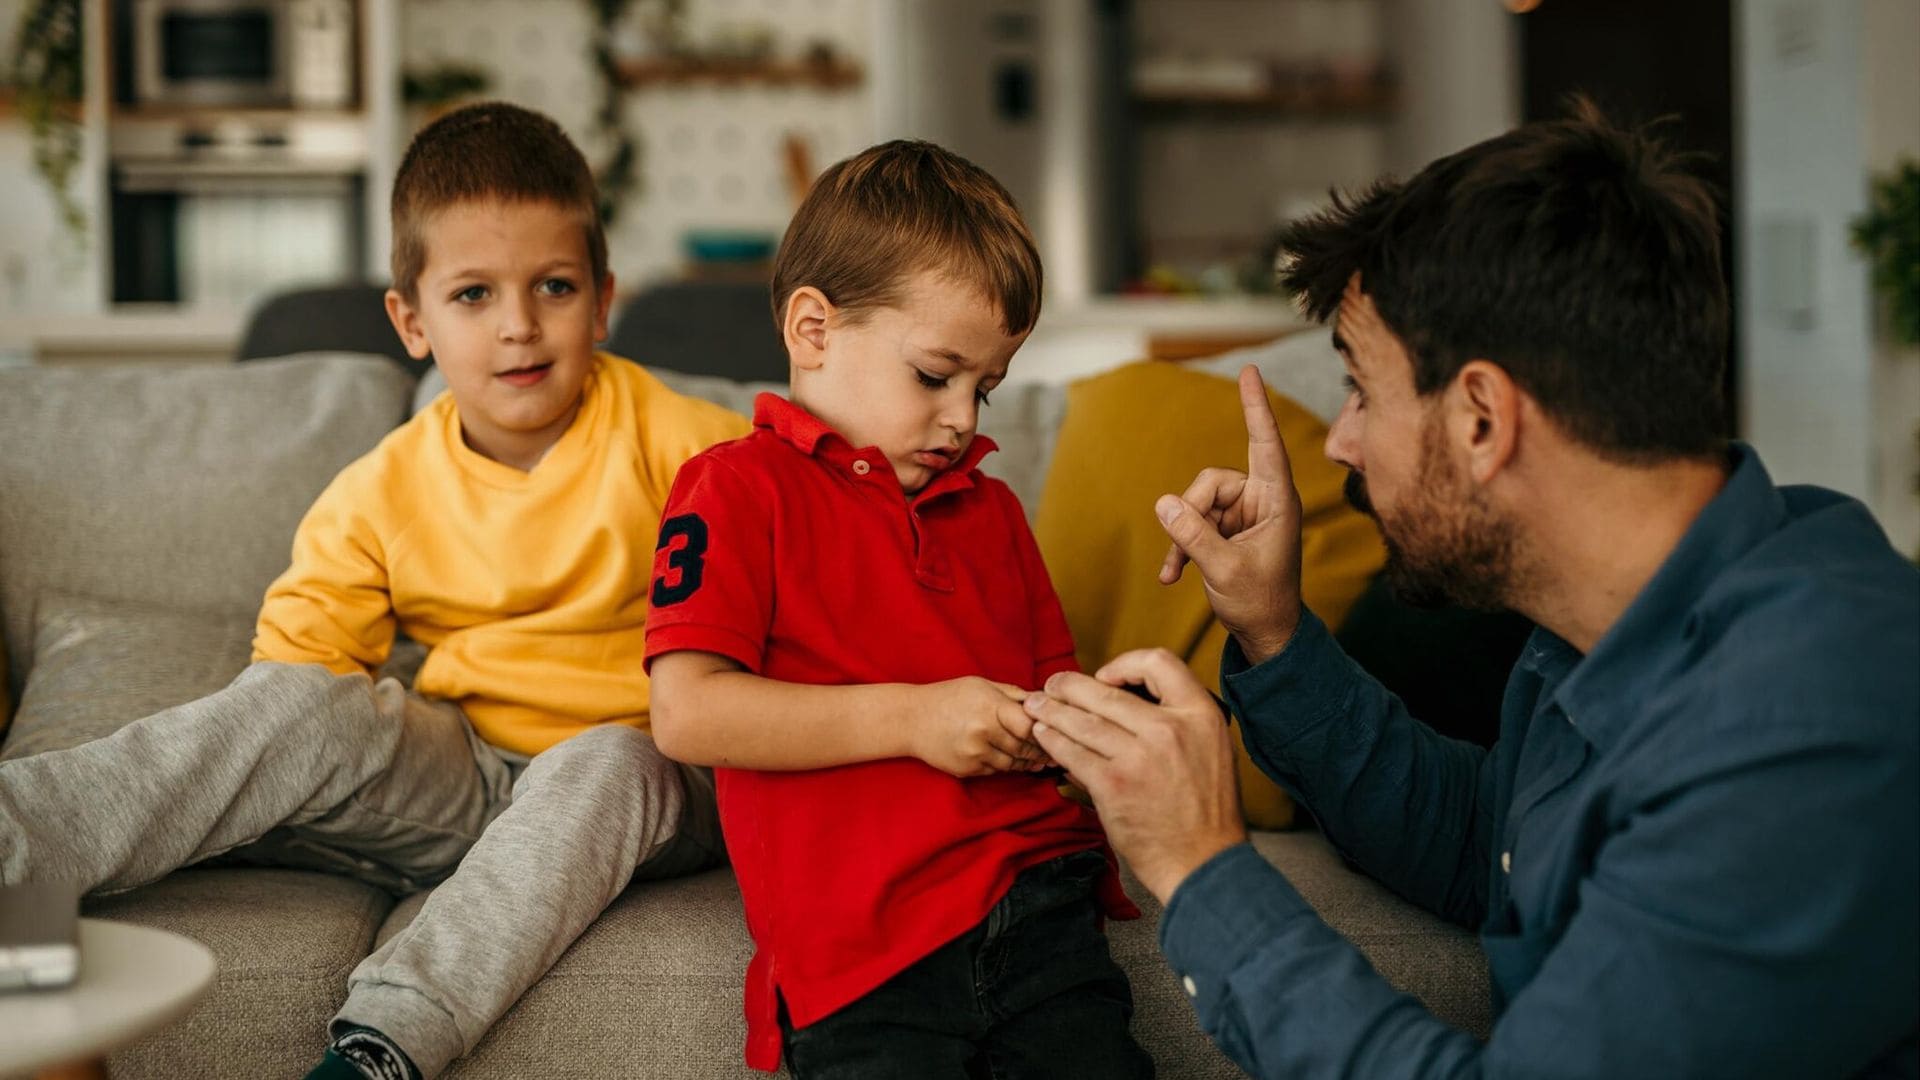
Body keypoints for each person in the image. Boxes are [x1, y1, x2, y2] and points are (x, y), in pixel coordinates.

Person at [1023, 102, 1920, 1078]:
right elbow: (1484, 843)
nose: (1341, 443)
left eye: (1361, 389)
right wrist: (1274, 635)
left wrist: (1200, 868)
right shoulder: (1625, 611)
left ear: (1484, 418)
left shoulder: (1798, 733)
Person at [0, 102, 750, 1080]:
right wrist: (289, 744)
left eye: (553, 288)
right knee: (304, 707)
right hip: (470, 776)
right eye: (474, 295)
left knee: (603, 761)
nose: (520, 326)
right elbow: (295, 686)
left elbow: (810, 577)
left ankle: (379, 1052)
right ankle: (21, 841)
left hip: (644, 778)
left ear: (603, 301)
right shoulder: (382, 488)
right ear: (413, 320)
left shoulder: (690, 444)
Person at [645, 140, 1152, 1080]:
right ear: (813, 331)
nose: (963, 418)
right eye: (935, 376)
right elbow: (687, 712)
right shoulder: (733, 489)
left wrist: (1092, 729)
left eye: (984, 387)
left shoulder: (990, 507)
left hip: (1043, 912)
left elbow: (1053, 693)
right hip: (864, 956)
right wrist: (918, 716)